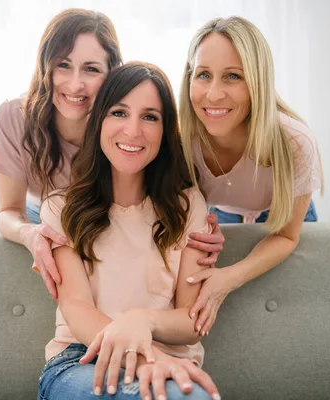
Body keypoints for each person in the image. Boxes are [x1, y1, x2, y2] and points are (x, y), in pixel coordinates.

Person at [0, 9, 223, 300]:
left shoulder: (121, 127)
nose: (75, 85)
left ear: (112, 73)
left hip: (112, 217)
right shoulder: (14, 117)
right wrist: (29, 233)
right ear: (45, 66)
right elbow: (8, 211)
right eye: (63, 65)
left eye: (91, 69)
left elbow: (169, 194)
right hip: (44, 218)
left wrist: (199, 234)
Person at [37, 62, 221, 400]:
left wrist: (143, 321)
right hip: (82, 359)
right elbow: (77, 309)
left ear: (166, 131)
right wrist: (146, 358)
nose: (133, 131)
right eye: (119, 113)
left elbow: (192, 322)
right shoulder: (60, 207)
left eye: (150, 117)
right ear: (99, 122)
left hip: (169, 364)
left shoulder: (187, 205)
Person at [179, 17, 324, 337]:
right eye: (203, 75)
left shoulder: (294, 142)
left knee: (290, 315)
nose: (213, 95)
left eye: (233, 76)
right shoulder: (179, 140)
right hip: (219, 214)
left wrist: (227, 279)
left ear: (257, 81)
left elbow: (287, 236)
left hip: (282, 214)